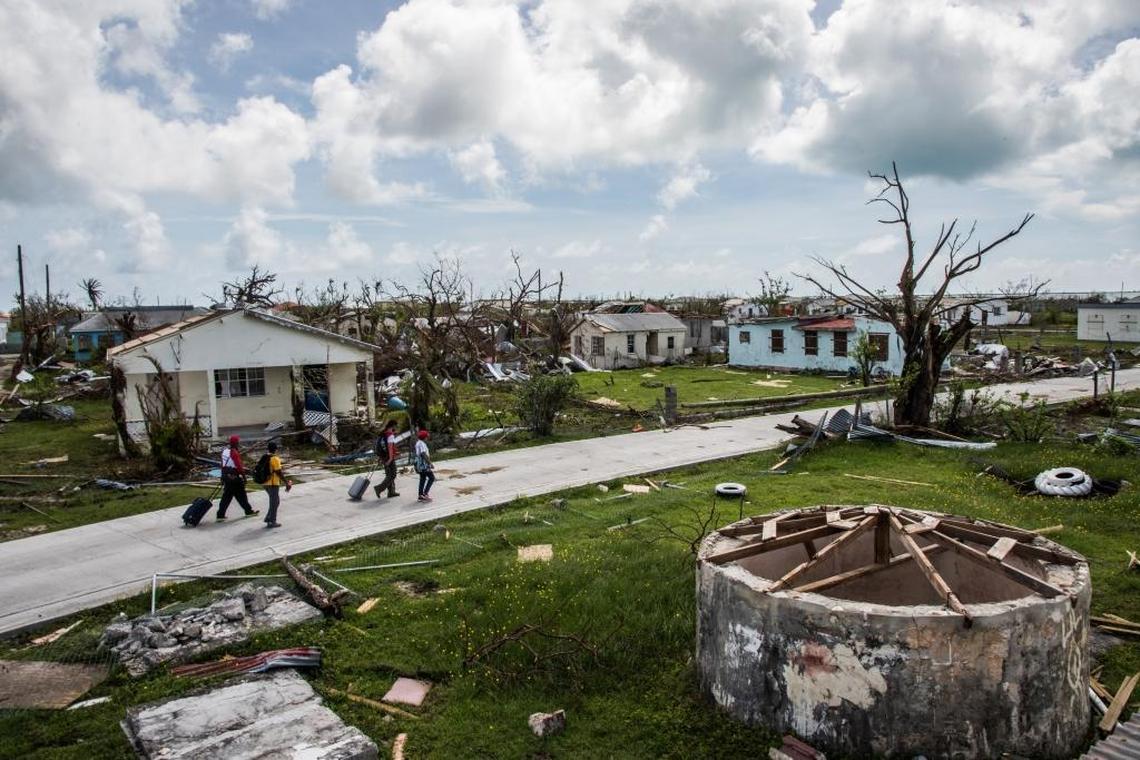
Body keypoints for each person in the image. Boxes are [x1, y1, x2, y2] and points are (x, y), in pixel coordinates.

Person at [217, 435, 259, 520]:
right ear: (236, 443)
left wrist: (222, 476)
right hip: (234, 478)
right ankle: (248, 511)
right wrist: (244, 477)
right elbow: (239, 466)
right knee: (241, 495)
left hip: (226, 476)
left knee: (227, 496)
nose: (238, 443)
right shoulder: (234, 452)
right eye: (238, 442)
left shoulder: (225, 451)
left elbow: (222, 465)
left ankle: (220, 515)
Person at [263, 441, 291, 528]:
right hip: (273, 484)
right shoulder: (275, 458)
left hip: (265, 483)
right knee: (274, 502)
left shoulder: (265, 457)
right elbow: (278, 472)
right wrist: (286, 482)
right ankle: (272, 521)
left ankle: (268, 518)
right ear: (276, 449)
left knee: (275, 501)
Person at [373, 419, 401, 498]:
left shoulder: (383, 434)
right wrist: (390, 459)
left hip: (383, 456)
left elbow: (381, 446)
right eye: (396, 426)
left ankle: (391, 492)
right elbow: (390, 448)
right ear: (393, 426)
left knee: (389, 474)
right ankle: (379, 488)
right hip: (388, 458)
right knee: (393, 475)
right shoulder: (390, 435)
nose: (396, 428)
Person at [414, 429, 435, 502]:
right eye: (427, 436)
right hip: (424, 464)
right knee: (432, 478)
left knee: (422, 479)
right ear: (425, 437)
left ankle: (420, 495)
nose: (428, 437)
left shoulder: (418, 443)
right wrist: (430, 463)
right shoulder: (422, 444)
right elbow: (423, 454)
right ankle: (425, 494)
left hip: (419, 464)